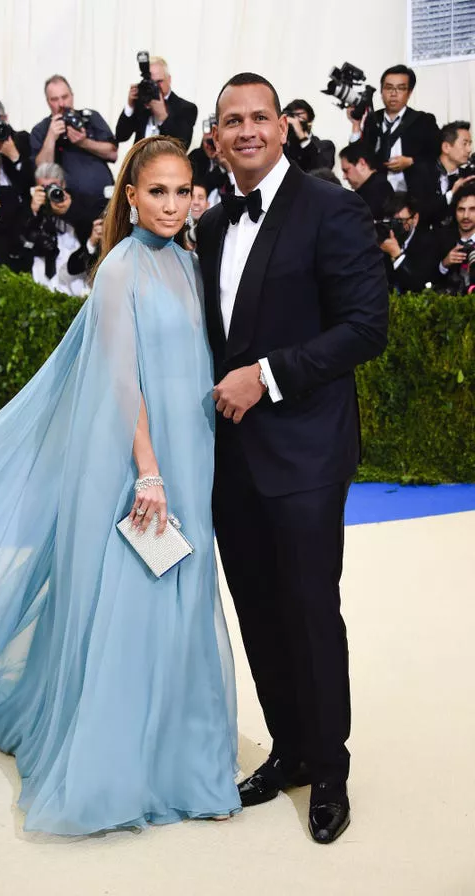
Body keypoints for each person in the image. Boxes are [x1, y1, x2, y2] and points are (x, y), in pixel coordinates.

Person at [0, 135, 241, 836]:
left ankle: (185, 763)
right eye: (155, 191)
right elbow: (119, 378)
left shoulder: (189, 264)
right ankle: (122, 769)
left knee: (183, 597)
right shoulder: (120, 271)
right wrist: (150, 471)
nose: (170, 204)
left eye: (181, 190)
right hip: (144, 466)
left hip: (194, 456)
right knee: (134, 603)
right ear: (128, 195)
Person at [196, 73, 388, 844]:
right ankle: (292, 750)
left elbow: (366, 327)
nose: (247, 130)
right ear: (215, 139)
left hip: (306, 450)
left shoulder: (330, 205)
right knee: (259, 611)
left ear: (283, 127)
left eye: (259, 117)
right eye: (232, 121)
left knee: (310, 611)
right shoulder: (209, 226)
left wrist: (267, 376)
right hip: (232, 459)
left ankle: (331, 771)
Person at [31, 75, 117, 223]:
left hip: (104, 200)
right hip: (68, 208)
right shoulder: (41, 130)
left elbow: (113, 153)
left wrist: (84, 142)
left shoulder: (90, 117)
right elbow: (42, 168)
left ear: (72, 96)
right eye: (55, 99)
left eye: (65, 97)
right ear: (48, 102)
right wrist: (51, 137)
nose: (61, 103)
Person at [348, 64, 439, 194]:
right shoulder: (372, 119)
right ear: (381, 91)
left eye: (401, 89)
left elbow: (436, 155)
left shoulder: (423, 120)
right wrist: (355, 124)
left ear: (409, 93)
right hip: (378, 195)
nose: (393, 93)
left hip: (413, 195)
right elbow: (358, 157)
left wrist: (411, 161)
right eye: (388, 88)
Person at [20, 162, 96, 294]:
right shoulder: (30, 208)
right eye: (44, 187)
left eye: (54, 186)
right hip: (41, 275)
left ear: (63, 185)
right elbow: (21, 238)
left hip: (74, 275)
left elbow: (89, 226)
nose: (50, 192)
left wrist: (69, 210)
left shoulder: (77, 202)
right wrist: (33, 211)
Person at [116, 56, 197, 150]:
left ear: (169, 79)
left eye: (159, 81)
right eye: (151, 82)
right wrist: (130, 106)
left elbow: (183, 145)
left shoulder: (186, 108)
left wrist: (163, 116)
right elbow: (120, 136)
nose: (155, 86)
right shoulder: (141, 103)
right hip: (140, 162)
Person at [412, 120, 475, 230]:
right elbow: (420, 213)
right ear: (446, 147)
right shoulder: (421, 172)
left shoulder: (468, 176)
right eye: (464, 144)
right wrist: (451, 194)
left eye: (470, 144)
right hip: (426, 239)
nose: (469, 150)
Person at [378, 192, 438, 293]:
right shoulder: (382, 240)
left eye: (400, 221)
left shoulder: (429, 242)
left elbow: (418, 285)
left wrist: (397, 255)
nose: (395, 226)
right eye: (391, 221)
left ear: (415, 219)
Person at [435, 182, 475, 295]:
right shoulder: (441, 239)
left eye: (472, 209)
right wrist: (444, 264)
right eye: (461, 210)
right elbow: (427, 279)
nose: (466, 216)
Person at [339, 141, 394, 220]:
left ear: (362, 163)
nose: (344, 177)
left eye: (346, 170)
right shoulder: (372, 188)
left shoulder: (377, 191)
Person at [283, 99, 335, 171]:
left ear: (309, 123)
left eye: (300, 118)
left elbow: (321, 173)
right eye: (292, 117)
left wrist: (301, 136)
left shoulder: (325, 146)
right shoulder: (283, 145)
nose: (295, 122)